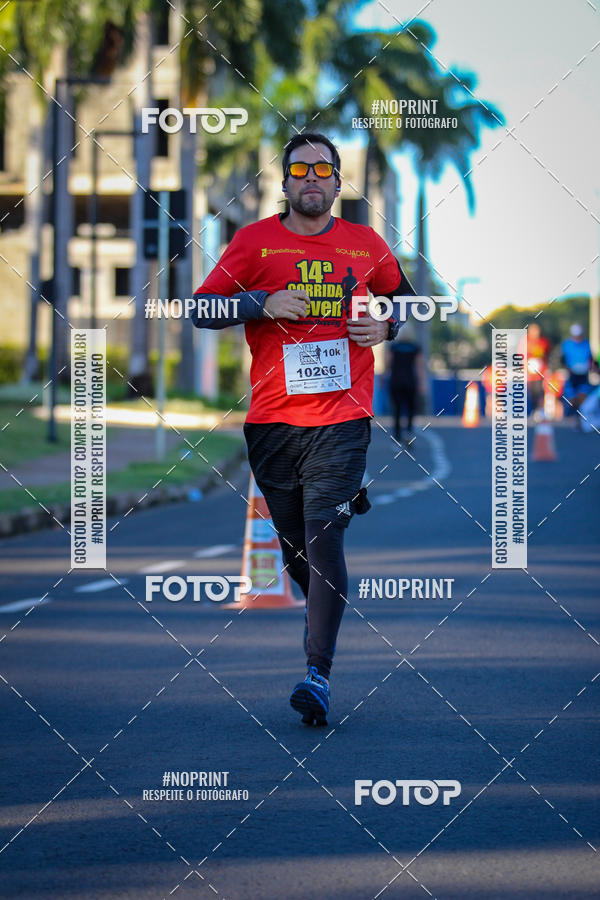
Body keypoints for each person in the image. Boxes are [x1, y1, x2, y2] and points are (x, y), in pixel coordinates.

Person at [191, 132, 416, 726]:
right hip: (271, 421)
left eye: (324, 169)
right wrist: (261, 302)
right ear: (285, 182)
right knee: (297, 550)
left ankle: (318, 673)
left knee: (325, 540)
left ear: (338, 183)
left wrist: (384, 327)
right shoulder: (253, 243)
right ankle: (325, 601)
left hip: (343, 419)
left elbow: (408, 302)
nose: (312, 178)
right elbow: (201, 307)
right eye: (300, 169)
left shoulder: (366, 245)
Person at [386, 322, 424, 443]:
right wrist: (421, 383)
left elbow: (387, 364)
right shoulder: (415, 348)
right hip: (410, 381)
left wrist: (383, 377)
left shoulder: (394, 347)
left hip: (395, 381)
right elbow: (419, 367)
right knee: (410, 408)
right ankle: (408, 431)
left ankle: (397, 435)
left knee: (396, 409)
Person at [561, 323, 593, 416]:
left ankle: (580, 416)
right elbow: (562, 359)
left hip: (583, 374)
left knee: (582, 395)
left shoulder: (586, 344)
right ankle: (570, 415)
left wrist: (592, 368)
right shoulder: (567, 344)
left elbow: (590, 358)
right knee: (571, 396)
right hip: (571, 374)